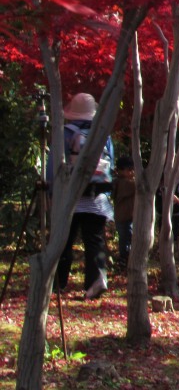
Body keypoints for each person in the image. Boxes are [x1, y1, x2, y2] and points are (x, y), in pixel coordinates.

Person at [51, 93, 115, 300]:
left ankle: (58, 283)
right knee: (94, 241)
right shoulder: (104, 136)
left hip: (71, 197)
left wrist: (53, 191)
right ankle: (95, 282)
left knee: (64, 241)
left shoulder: (65, 133)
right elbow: (111, 165)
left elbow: (55, 165)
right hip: (97, 199)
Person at [111, 155, 136, 272]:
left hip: (124, 216)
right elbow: (139, 186)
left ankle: (125, 260)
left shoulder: (119, 182)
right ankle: (123, 261)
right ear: (121, 171)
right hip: (124, 217)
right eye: (129, 170)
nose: (132, 172)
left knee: (126, 239)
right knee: (125, 240)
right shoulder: (124, 183)